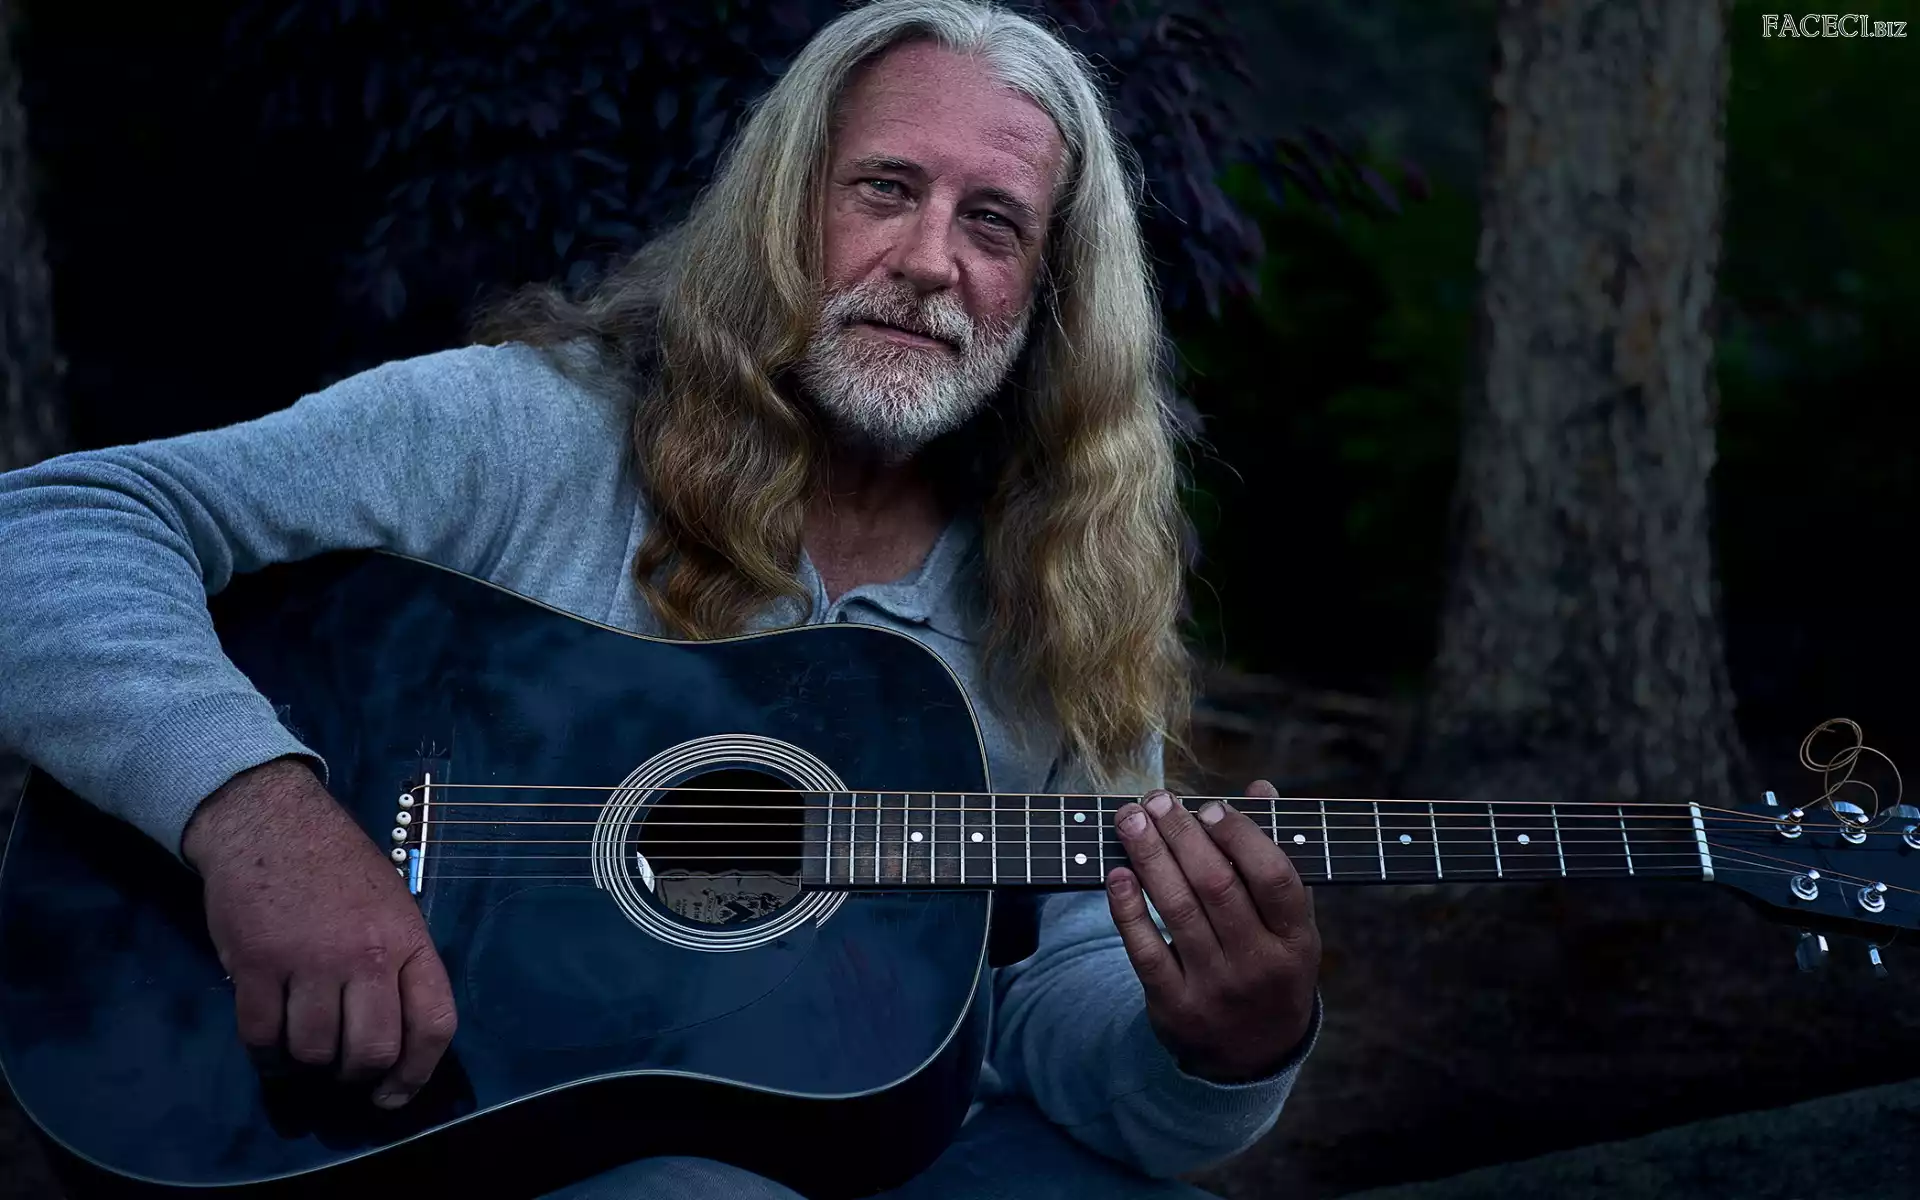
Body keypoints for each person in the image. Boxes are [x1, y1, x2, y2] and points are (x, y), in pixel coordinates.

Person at [0, 1, 1322, 1196]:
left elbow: (1055, 1004)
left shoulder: (1062, 590)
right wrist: (260, 819)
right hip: (428, 1129)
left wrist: (1220, 1047)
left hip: (885, 1149)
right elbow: (49, 525)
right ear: (783, 207)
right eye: (884, 188)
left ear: (1049, 293)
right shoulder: (526, 432)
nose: (931, 260)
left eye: (994, 222)